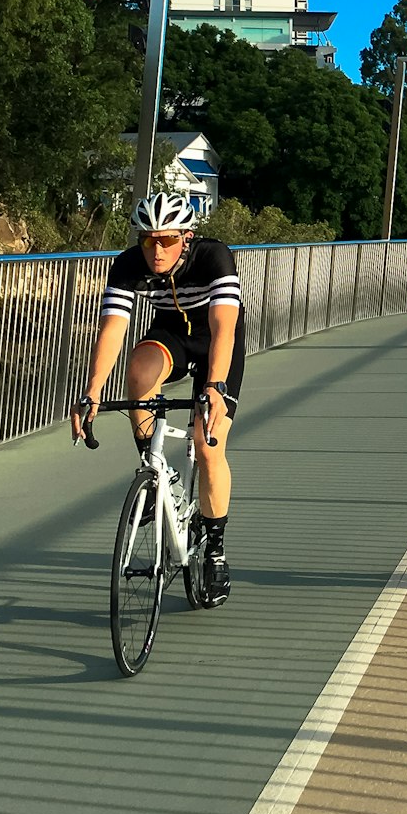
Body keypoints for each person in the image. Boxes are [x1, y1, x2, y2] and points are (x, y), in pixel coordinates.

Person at [71, 192, 245, 605]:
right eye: (148, 240)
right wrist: (92, 391)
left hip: (216, 346)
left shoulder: (213, 257)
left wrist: (215, 387)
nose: (156, 250)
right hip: (170, 336)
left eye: (166, 240)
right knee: (137, 372)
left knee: (207, 447)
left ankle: (216, 552)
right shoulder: (129, 264)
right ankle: (154, 470)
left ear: (187, 237)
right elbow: (113, 329)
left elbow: (225, 326)